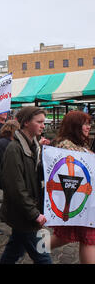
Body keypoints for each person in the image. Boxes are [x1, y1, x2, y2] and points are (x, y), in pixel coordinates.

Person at [0, 106, 52, 264]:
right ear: (26, 123)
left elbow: (35, 176)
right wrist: (34, 214)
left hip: (25, 212)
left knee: (14, 250)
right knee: (44, 258)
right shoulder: (14, 149)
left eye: (44, 122)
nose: (43, 125)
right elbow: (16, 187)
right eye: (39, 122)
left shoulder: (34, 146)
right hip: (25, 214)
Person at [50, 110, 95, 264]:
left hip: (83, 201)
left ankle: (37, 247)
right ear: (75, 125)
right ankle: (36, 248)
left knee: (72, 237)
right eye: (85, 123)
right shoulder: (66, 146)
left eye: (89, 123)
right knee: (88, 238)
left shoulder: (79, 144)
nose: (88, 126)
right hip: (78, 201)